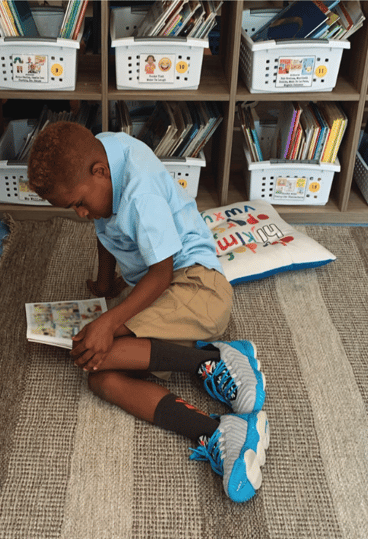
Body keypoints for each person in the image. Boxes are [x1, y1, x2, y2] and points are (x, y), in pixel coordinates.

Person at [27, 121, 269, 503]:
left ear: (99, 171)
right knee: (100, 377)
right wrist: (106, 283)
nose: (81, 214)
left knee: (100, 347)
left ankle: (215, 358)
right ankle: (215, 431)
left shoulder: (140, 194)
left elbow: (160, 275)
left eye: (78, 202)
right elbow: (105, 229)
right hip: (162, 290)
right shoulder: (99, 156)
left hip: (197, 286)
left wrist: (110, 320)